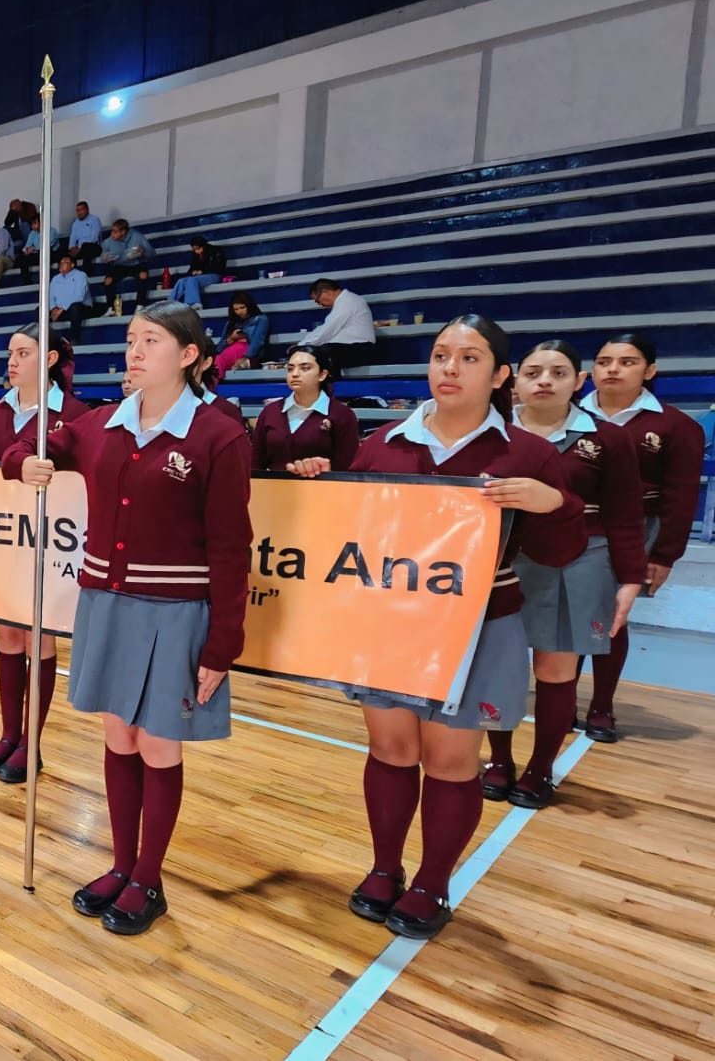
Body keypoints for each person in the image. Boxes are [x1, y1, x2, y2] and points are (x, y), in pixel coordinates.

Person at [288, 314, 585, 941]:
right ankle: (385, 867)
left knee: (451, 760)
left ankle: (432, 881)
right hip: (391, 624)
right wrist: (316, 488)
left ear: (500, 375)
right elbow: (348, 540)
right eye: (441, 355)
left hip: (482, 625)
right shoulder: (383, 444)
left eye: (470, 358)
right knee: (391, 751)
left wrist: (554, 503)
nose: (450, 368)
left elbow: (560, 552)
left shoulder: (527, 454)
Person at [6, 301, 252, 935]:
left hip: (176, 609)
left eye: (151, 341)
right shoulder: (99, 424)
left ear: (189, 355)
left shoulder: (218, 434)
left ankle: (149, 876)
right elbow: (31, 445)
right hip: (106, 604)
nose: (134, 352)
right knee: (118, 738)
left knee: (158, 743)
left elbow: (232, 545)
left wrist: (223, 643)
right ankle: (120, 863)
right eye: (131, 339)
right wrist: (22, 462)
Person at [480, 340, 646, 810]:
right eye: (533, 372)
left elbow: (625, 514)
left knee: (556, 671)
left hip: (580, 559)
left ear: (579, 381)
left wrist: (630, 579)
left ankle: (540, 769)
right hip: (501, 558)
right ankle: (499, 760)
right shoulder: (489, 433)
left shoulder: (607, 438)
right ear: (514, 380)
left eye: (558, 373)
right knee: (497, 664)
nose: (545, 381)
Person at [0, 324, 91, 784]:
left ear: (51, 360)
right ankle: (8, 734)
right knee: (7, 637)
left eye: (23, 353)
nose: (12, 361)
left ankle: (30, 744)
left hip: (49, 543)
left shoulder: (75, 414)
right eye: (10, 353)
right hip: (2, 539)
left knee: (39, 638)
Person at [576, 333, 703, 743]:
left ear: (650, 371)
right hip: (572, 525)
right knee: (566, 614)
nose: (613, 369)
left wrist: (665, 554)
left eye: (627, 362)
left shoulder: (677, 426)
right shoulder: (567, 414)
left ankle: (601, 706)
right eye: (604, 361)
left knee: (612, 614)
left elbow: (681, 495)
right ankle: (560, 697)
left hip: (634, 529)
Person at [251, 345, 360, 471]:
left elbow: (346, 466)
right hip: (273, 483)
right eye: (290, 369)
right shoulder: (270, 411)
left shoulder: (342, 414)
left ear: (322, 374)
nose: (295, 374)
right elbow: (255, 462)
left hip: (323, 483)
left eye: (305, 368)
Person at [299, 279, 376, 376]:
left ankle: (329, 383)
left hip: (360, 350)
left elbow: (328, 329)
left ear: (327, 292)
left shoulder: (348, 301)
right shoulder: (344, 302)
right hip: (350, 348)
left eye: (317, 300)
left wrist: (302, 346)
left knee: (323, 351)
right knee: (320, 351)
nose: (320, 304)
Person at [98, 219, 155, 312]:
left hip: (136, 264)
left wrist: (143, 252)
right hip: (118, 266)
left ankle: (140, 305)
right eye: (111, 231)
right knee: (108, 280)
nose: (112, 234)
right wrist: (105, 258)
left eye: (115, 231)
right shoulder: (108, 242)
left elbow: (152, 253)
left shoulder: (137, 236)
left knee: (143, 274)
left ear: (123, 231)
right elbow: (101, 257)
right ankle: (111, 308)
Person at [217, 295, 270, 371]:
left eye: (242, 307)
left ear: (249, 305)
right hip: (228, 353)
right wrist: (231, 338)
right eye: (236, 309)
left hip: (250, 356)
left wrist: (246, 357)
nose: (239, 312)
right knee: (217, 360)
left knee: (220, 363)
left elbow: (257, 342)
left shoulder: (260, 319)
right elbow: (219, 348)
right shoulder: (231, 322)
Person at [172, 237, 229, 307]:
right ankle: (170, 303)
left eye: (198, 248)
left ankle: (194, 304)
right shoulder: (196, 255)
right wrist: (193, 272)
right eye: (194, 249)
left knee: (191, 280)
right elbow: (190, 270)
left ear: (204, 246)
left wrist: (202, 272)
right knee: (181, 281)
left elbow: (219, 268)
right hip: (200, 277)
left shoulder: (215, 251)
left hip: (214, 275)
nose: (197, 251)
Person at [48, 255, 94, 340]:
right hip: (60, 311)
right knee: (39, 310)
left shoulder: (80, 275)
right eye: (61, 262)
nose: (62, 264)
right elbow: (50, 296)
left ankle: (74, 339)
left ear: (72, 265)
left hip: (81, 309)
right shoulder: (55, 279)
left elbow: (78, 297)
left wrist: (61, 309)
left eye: (65, 262)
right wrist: (53, 308)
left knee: (75, 307)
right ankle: (39, 340)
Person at [18, 215, 55, 283]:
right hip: (37, 254)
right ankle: (27, 283)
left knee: (44, 254)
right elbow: (27, 246)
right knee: (22, 257)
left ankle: (45, 282)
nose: (32, 225)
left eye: (35, 223)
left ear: (42, 222)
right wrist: (27, 250)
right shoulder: (32, 233)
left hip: (50, 254)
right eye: (32, 224)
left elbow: (48, 246)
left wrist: (33, 249)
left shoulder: (52, 231)